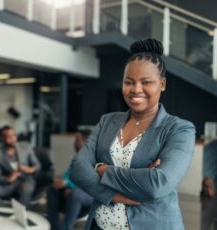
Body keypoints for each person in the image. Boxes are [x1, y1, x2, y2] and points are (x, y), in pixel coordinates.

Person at [70, 38, 196, 230]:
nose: (136, 90)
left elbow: (158, 184)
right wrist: (112, 194)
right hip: (98, 225)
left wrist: (102, 170)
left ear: (162, 84)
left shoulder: (179, 129)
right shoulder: (107, 121)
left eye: (146, 82)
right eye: (129, 82)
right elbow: (78, 168)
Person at [0, 125, 41, 209]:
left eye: (14, 135)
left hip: (25, 180)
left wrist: (30, 169)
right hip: (8, 184)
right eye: (9, 137)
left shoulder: (26, 146)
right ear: (2, 139)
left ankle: (22, 215)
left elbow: (37, 165)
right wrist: (8, 178)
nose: (13, 138)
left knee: (26, 189)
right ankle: (4, 212)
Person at [47, 130, 93, 230]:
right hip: (74, 189)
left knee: (75, 193)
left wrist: (69, 185)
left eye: (77, 141)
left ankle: (66, 227)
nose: (74, 144)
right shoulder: (77, 157)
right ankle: (54, 226)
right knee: (51, 189)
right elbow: (67, 174)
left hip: (91, 194)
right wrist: (63, 182)